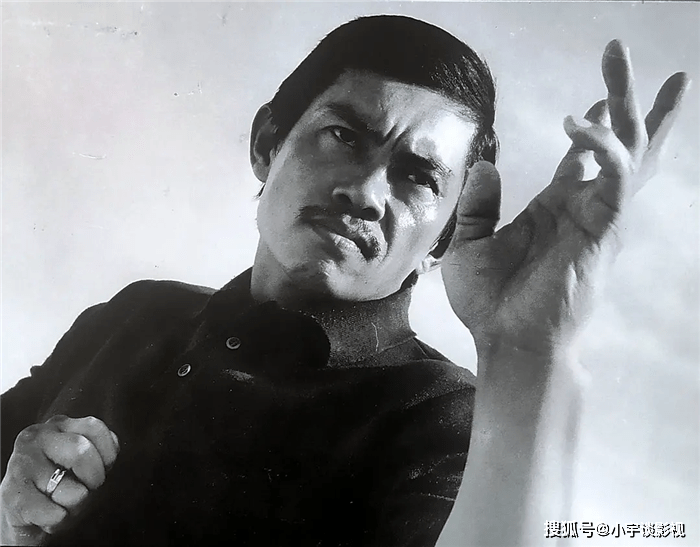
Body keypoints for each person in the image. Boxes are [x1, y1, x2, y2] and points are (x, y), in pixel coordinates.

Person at [0, 14, 688, 547]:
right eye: (344, 136)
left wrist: (527, 352)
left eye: (418, 176)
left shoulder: (444, 416)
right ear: (267, 143)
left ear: (441, 239)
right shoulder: (136, 314)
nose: (364, 190)